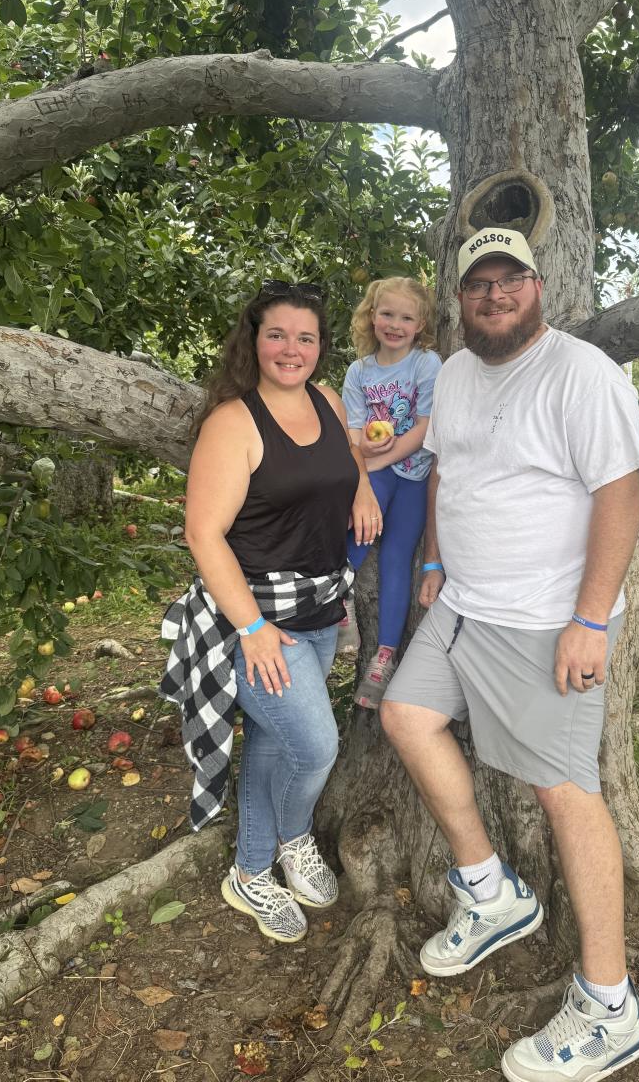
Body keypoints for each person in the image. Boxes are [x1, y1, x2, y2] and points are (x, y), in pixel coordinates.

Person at [379, 228, 639, 1082]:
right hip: (464, 604)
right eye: (479, 285)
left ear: (538, 286)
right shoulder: (456, 373)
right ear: (459, 298)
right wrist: (432, 559)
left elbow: (622, 494)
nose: (495, 296)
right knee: (405, 715)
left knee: (565, 794)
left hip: (543, 619)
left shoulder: (582, 374)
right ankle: (491, 891)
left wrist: (590, 619)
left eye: (511, 281)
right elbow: (446, 472)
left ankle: (610, 1007)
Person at [160, 280, 381, 945]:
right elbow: (203, 534)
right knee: (315, 747)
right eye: (277, 334)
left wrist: (363, 488)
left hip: (319, 608)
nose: (292, 348)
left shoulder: (327, 400)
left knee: (272, 739)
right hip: (254, 618)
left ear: (320, 347)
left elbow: (347, 456)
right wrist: (252, 629)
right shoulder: (234, 423)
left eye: (305, 337)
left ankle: (251, 870)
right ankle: (291, 839)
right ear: (253, 340)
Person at [339, 275, 442, 708]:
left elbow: (424, 428)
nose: (395, 325)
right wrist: (365, 454)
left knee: (398, 559)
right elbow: (352, 432)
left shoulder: (426, 364)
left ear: (420, 325)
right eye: (387, 314)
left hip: (415, 476)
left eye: (406, 318)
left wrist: (374, 461)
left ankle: (384, 657)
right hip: (376, 473)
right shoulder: (359, 372)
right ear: (371, 316)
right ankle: (337, 596)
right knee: (361, 525)